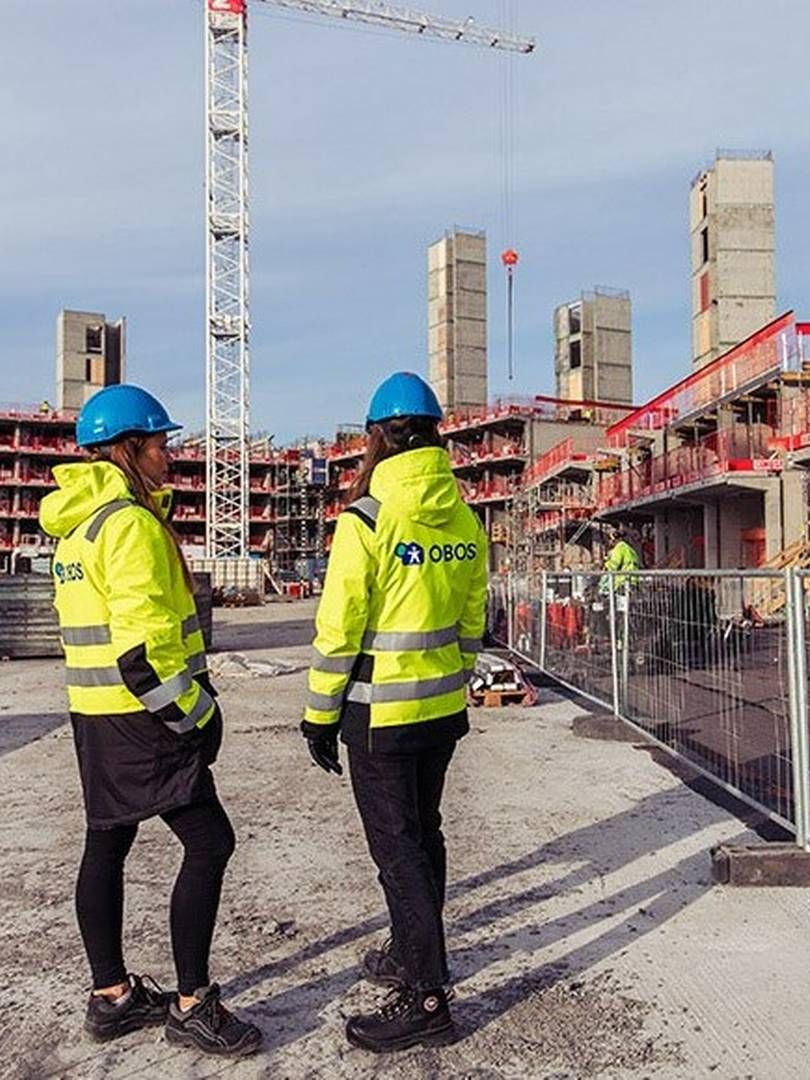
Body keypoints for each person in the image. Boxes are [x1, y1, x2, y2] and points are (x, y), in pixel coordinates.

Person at [39, 384, 261, 1056]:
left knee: (106, 840)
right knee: (209, 842)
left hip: (95, 717)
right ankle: (192, 1003)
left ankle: (111, 996)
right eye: (162, 444)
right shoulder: (131, 526)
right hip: (144, 717)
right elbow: (142, 653)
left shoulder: (78, 528)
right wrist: (197, 716)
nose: (172, 456)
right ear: (129, 448)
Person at [301, 372, 488, 1053]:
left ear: (377, 437)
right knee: (425, 837)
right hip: (440, 710)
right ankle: (412, 956)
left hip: (379, 716)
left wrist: (319, 716)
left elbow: (339, 629)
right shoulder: (466, 519)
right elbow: (472, 620)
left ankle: (428, 997)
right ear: (437, 434)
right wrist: (455, 680)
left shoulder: (369, 519)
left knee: (397, 852)